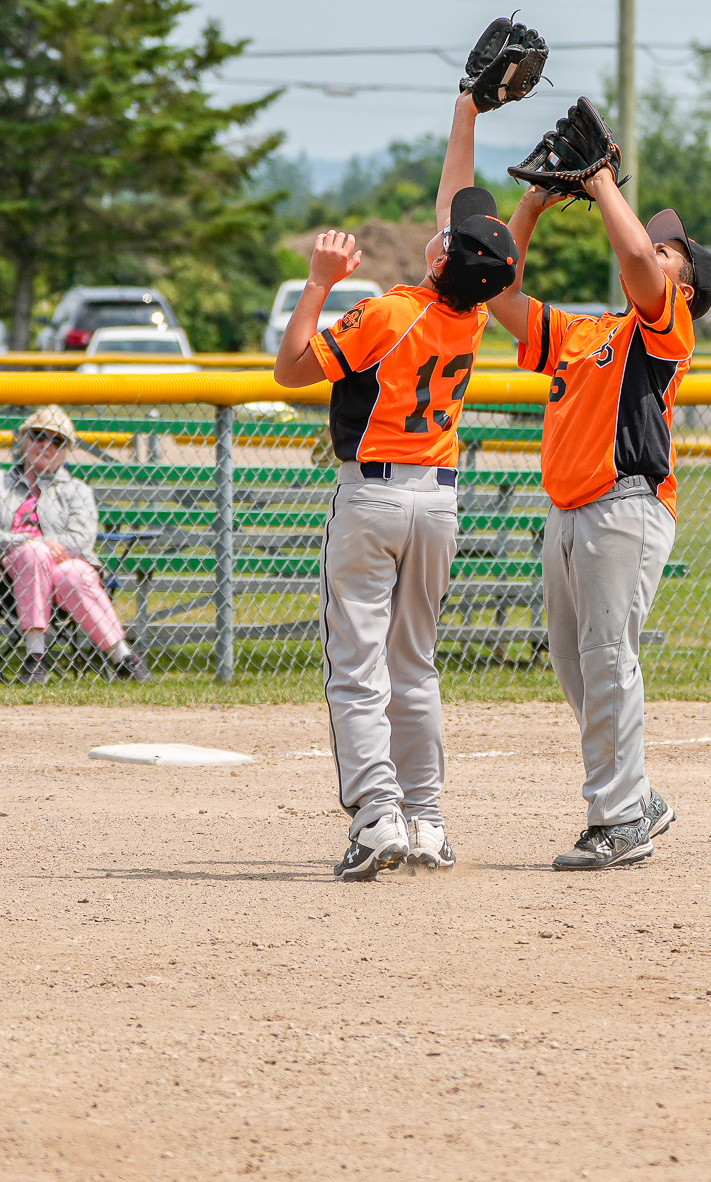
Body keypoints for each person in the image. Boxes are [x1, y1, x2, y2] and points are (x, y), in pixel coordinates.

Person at [272, 85, 519, 881]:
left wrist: (318, 281)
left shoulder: (388, 313)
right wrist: (467, 115)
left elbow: (290, 372)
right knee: (416, 666)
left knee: (357, 666)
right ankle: (428, 821)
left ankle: (377, 815)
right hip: (439, 500)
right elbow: (467, 227)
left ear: (444, 259)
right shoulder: (473, 315)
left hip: (373, 497)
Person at [486, 104, 711, 872]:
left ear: (688, 282)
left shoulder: (669, 323)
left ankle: (618, 819)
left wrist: (600, 183)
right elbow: (500, 298)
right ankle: (640, 794)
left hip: (626, 505)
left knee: (607, 655)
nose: (657, 245)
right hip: (568, 509)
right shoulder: (587, 333)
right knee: (575, 663)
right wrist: (534, 204)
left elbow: (639, 268)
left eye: (673, 249)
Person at [0, 406, 148, 684]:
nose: (45, 446)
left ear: (66, 451)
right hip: (3, 577)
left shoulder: (77, 490)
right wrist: (30, 542)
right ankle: (38, 654)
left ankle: (121, 656)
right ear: (23, 440)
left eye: (57, 441)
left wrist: (47, 550)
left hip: (65, 574)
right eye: (38, 436)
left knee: (73, 572)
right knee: (34, 551)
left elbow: (82, 538)